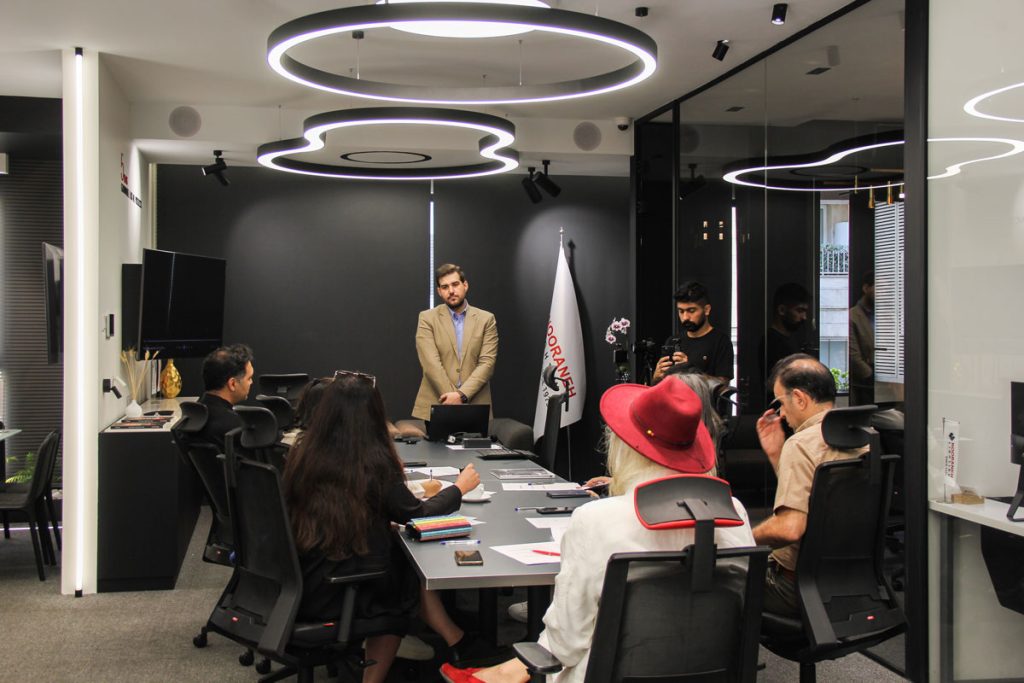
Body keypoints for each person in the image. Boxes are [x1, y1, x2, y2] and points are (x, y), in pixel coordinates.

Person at [442, 377, 756, 683]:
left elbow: (565, 644)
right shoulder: (735, 512)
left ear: (627, 446)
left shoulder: (596, 520)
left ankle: (504, 674)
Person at [282, 373, 485, 683]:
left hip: (301, 580)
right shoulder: (371, 462)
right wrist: (459, 488)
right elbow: (416, 515)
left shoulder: (303, 453)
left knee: (397, 552)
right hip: (340, 588)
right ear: (373, 415)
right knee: (399, 588)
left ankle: (453, 636)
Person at [753, 354, 866, 617]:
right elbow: (816, 503)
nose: (781, 414)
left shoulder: (801, 444)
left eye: (781, 403)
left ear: (800, 398)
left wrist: (743, 537)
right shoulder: (861, 437)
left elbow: (789, 528)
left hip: (794, 588)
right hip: (848, 584)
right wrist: (777, 454)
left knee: (723, 579)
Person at [413, 263, 498, 422]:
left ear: (465, 285)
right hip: (438, 403)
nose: (451, 291)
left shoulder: (486, 319)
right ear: (439, 291)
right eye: (445, 287)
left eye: (455, 284)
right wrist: (452, 398)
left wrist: (461, 395)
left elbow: (487, 363)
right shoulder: (427, 318)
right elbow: (430, 364)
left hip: (476, 404)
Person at [651, 281, 734, 384]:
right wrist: (656, 377)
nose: (685, 317)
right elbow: (660, 386)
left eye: (691, 311)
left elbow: (722, 384)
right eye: (681, 311)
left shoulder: (721, 342)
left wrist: (691, 372)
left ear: (706, 310)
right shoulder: (672, 341)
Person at [196, 343, 254, 450]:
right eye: (249, 378)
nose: (251, 382)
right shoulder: (236, 428)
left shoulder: (193, 418)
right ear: (232, 384)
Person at [761, 283, 816, 379]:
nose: (804, 317)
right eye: (799, 311)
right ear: (782, 310)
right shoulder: (773, 342)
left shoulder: (788, 339)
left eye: (805, 311)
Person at [849, 270, 875, 406]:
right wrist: (872, 376)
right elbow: (852, 356)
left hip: (891, 386)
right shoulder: (852, 317)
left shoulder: (889, 315)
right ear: (866, 288)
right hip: (865, 387)